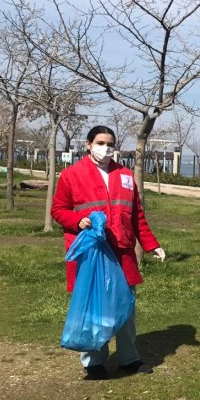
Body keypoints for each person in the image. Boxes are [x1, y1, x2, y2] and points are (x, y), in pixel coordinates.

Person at [51, 126, 166, 381]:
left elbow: (136, 216)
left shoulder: (125, 176)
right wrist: (77, 220)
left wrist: (151, 244)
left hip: (122, 252)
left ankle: (129, 357)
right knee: (95, 308)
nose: (106, 148)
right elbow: (58, 210)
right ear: (89, 144)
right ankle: (94, 361)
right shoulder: (71, 175)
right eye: (101, 142)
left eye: (110, 143)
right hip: (91, 254)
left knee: (126, 305)